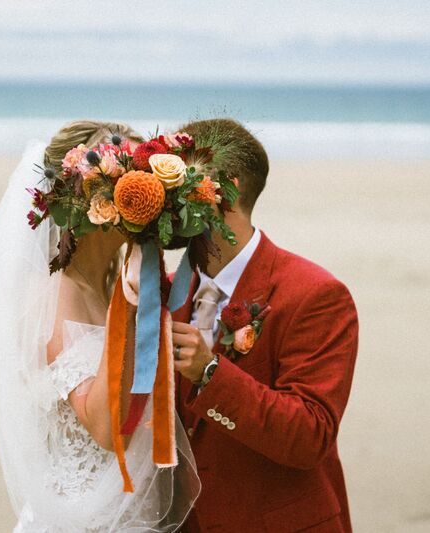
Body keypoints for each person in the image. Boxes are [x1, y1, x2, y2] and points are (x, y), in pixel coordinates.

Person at [0, 121, 199, 532]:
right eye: (133, 185)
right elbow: (107, 430)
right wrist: (129, 310)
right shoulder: (56, 297)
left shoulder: (110, 286)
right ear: (90, 200)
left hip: (128, 513)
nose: (150, 200)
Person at [169, 118, 359, 532]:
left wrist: (210, 373)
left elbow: (310, 436)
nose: (166, 204)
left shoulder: (315, 294)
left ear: (230, 194)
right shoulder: (163, 294)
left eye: (177, 191)